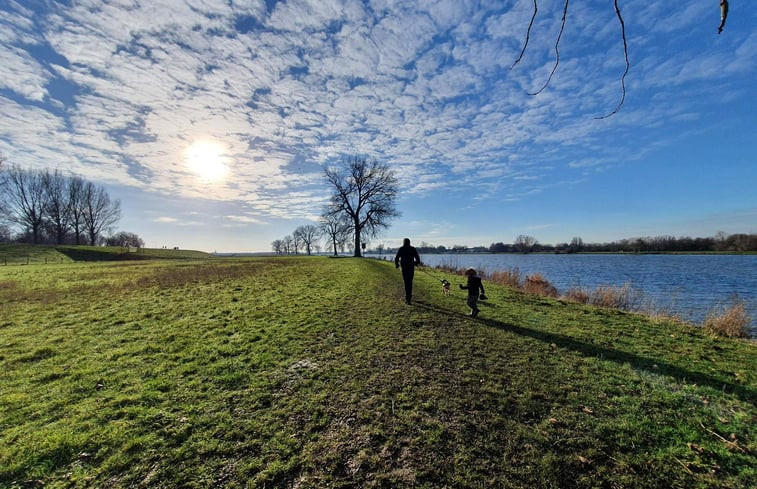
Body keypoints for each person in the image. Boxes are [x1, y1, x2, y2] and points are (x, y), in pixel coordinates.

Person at [394, 238, 421, 304]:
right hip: (411, 268)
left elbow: (397, 258)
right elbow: (418, 259)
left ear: (403, 242)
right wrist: (415, 263)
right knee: (410, 282)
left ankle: (407, 298)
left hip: (404, 268)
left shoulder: (401, 249)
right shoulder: (412, 249)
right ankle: (409, 297)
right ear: (409, 242)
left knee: (406, 282)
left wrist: (397, 265)